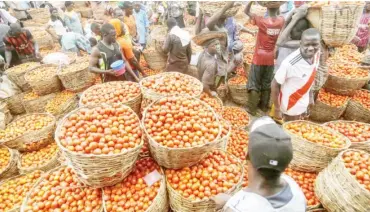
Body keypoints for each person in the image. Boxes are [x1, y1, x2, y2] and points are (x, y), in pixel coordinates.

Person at [212, 116, 306, 211]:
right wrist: (231, 201)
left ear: (246, 154)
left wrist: (228, 204)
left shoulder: (236, 208)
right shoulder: (296, 191)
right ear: (286, 164)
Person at [244, 2, 285, 116]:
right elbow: (279, 14)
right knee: (267, 82)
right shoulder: (281, 20)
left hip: (259, 56)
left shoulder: (262, 21)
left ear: (266, 7)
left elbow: (246, 11)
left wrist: (250, 2)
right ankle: (263, 106)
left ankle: (252, 108)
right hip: (271, 57)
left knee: (254, 82)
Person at [271, 28, 321, 122]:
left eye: (315, 45)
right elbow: (274, 84)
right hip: (290, 105)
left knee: (298, 127)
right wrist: (277, 109)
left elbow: (311, 74)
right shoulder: (290, 63)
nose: (311, 48)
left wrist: (310, 96)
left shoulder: (317, 54)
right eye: (307, 45)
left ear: (319, 43)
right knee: (290, 129)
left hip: (303, 101)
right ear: (301, 43)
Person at [275, 6, 309, 72]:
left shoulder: (305, 44)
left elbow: (279, 42)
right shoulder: (288, 38)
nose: (289, 33)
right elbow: (283, 32)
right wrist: (290, 16)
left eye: (292, 30)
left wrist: (295, 19)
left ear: (302, 32)